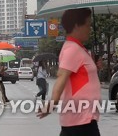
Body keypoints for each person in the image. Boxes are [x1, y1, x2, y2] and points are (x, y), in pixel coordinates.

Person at [37, 8, 101, 136]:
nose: (90, 29)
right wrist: (52, 104)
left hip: (83, 117)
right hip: (80, 118)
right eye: (88, 25)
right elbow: (61, 77)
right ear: (77, 26)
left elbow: (81, 77)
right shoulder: (72, 49)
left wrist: (96, 68)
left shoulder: (78, 48)